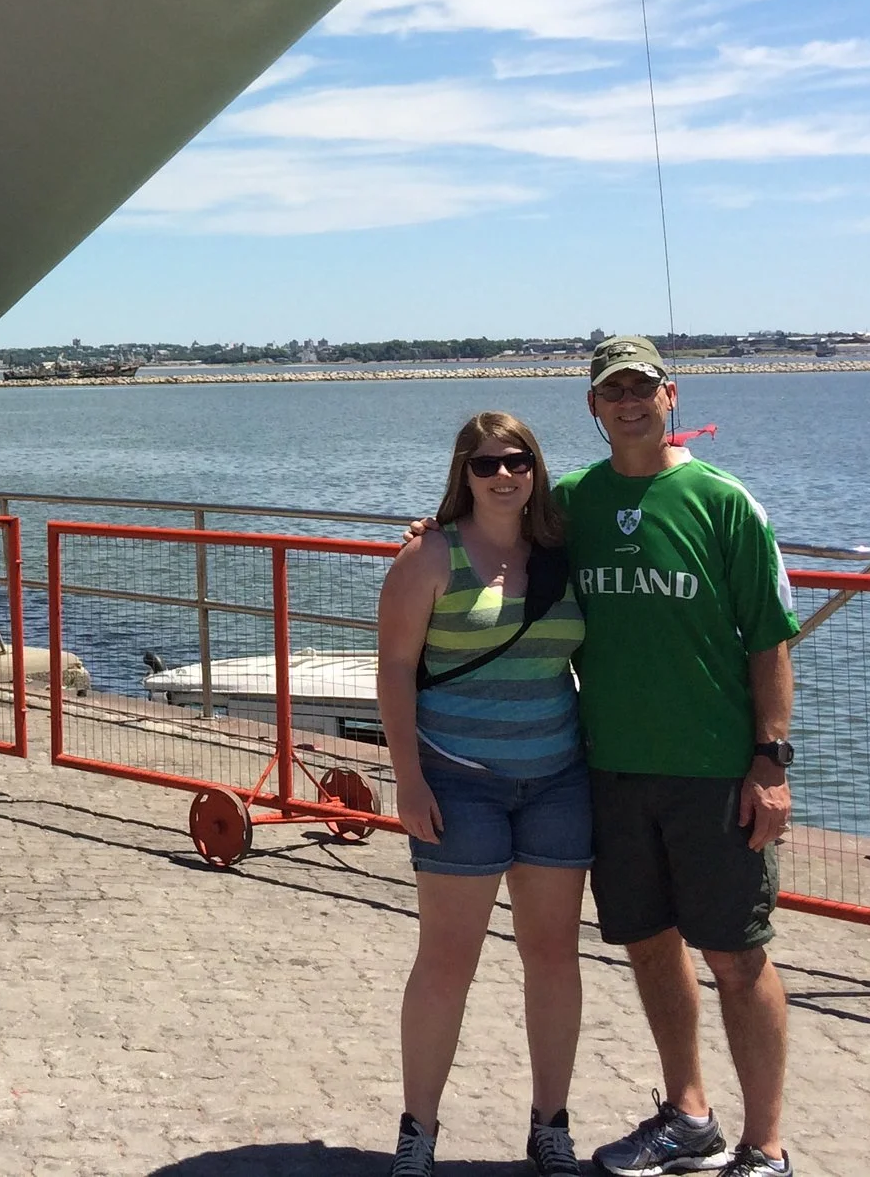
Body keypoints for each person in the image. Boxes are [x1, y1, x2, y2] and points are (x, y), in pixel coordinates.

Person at [564, 337, 801, 1177]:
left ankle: (766, 1144)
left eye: (641, 387)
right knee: (648, 940)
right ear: (592, 406)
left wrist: (769, 761)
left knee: (737, 955)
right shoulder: (568, 502)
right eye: (611, 391)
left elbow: (771, 638)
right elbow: (483, 527)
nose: (627, 402)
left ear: (671, 394)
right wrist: (428, 532)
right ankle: (686, 1115)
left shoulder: (721, 500)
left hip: (713, 770)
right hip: (613, 768)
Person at [377, 411, 589, 1177]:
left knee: (554, 957)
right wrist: (407, 780)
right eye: (488, 463)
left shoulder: (562, 553)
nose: (505, 475)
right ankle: (419, 1131)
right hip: (458, 784)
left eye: (519, 460)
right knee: (446, 961)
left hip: (557, 780)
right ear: (462, 472)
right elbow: (395, 669)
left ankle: (551, 1125)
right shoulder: (429, 556)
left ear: (536, 468)